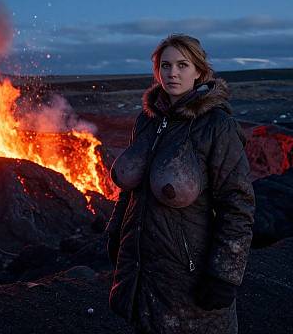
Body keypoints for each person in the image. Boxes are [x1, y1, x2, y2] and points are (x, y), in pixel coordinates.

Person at [106, 34, 255, 334]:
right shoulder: (146, 121)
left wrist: (225, 273)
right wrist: (116, 231)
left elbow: (237, 203)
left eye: (183, 65)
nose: (173, 73)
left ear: (199, 71)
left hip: (187, 278)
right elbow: (132, 192)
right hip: (141, 274)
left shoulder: (216, 126)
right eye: (166, 65)